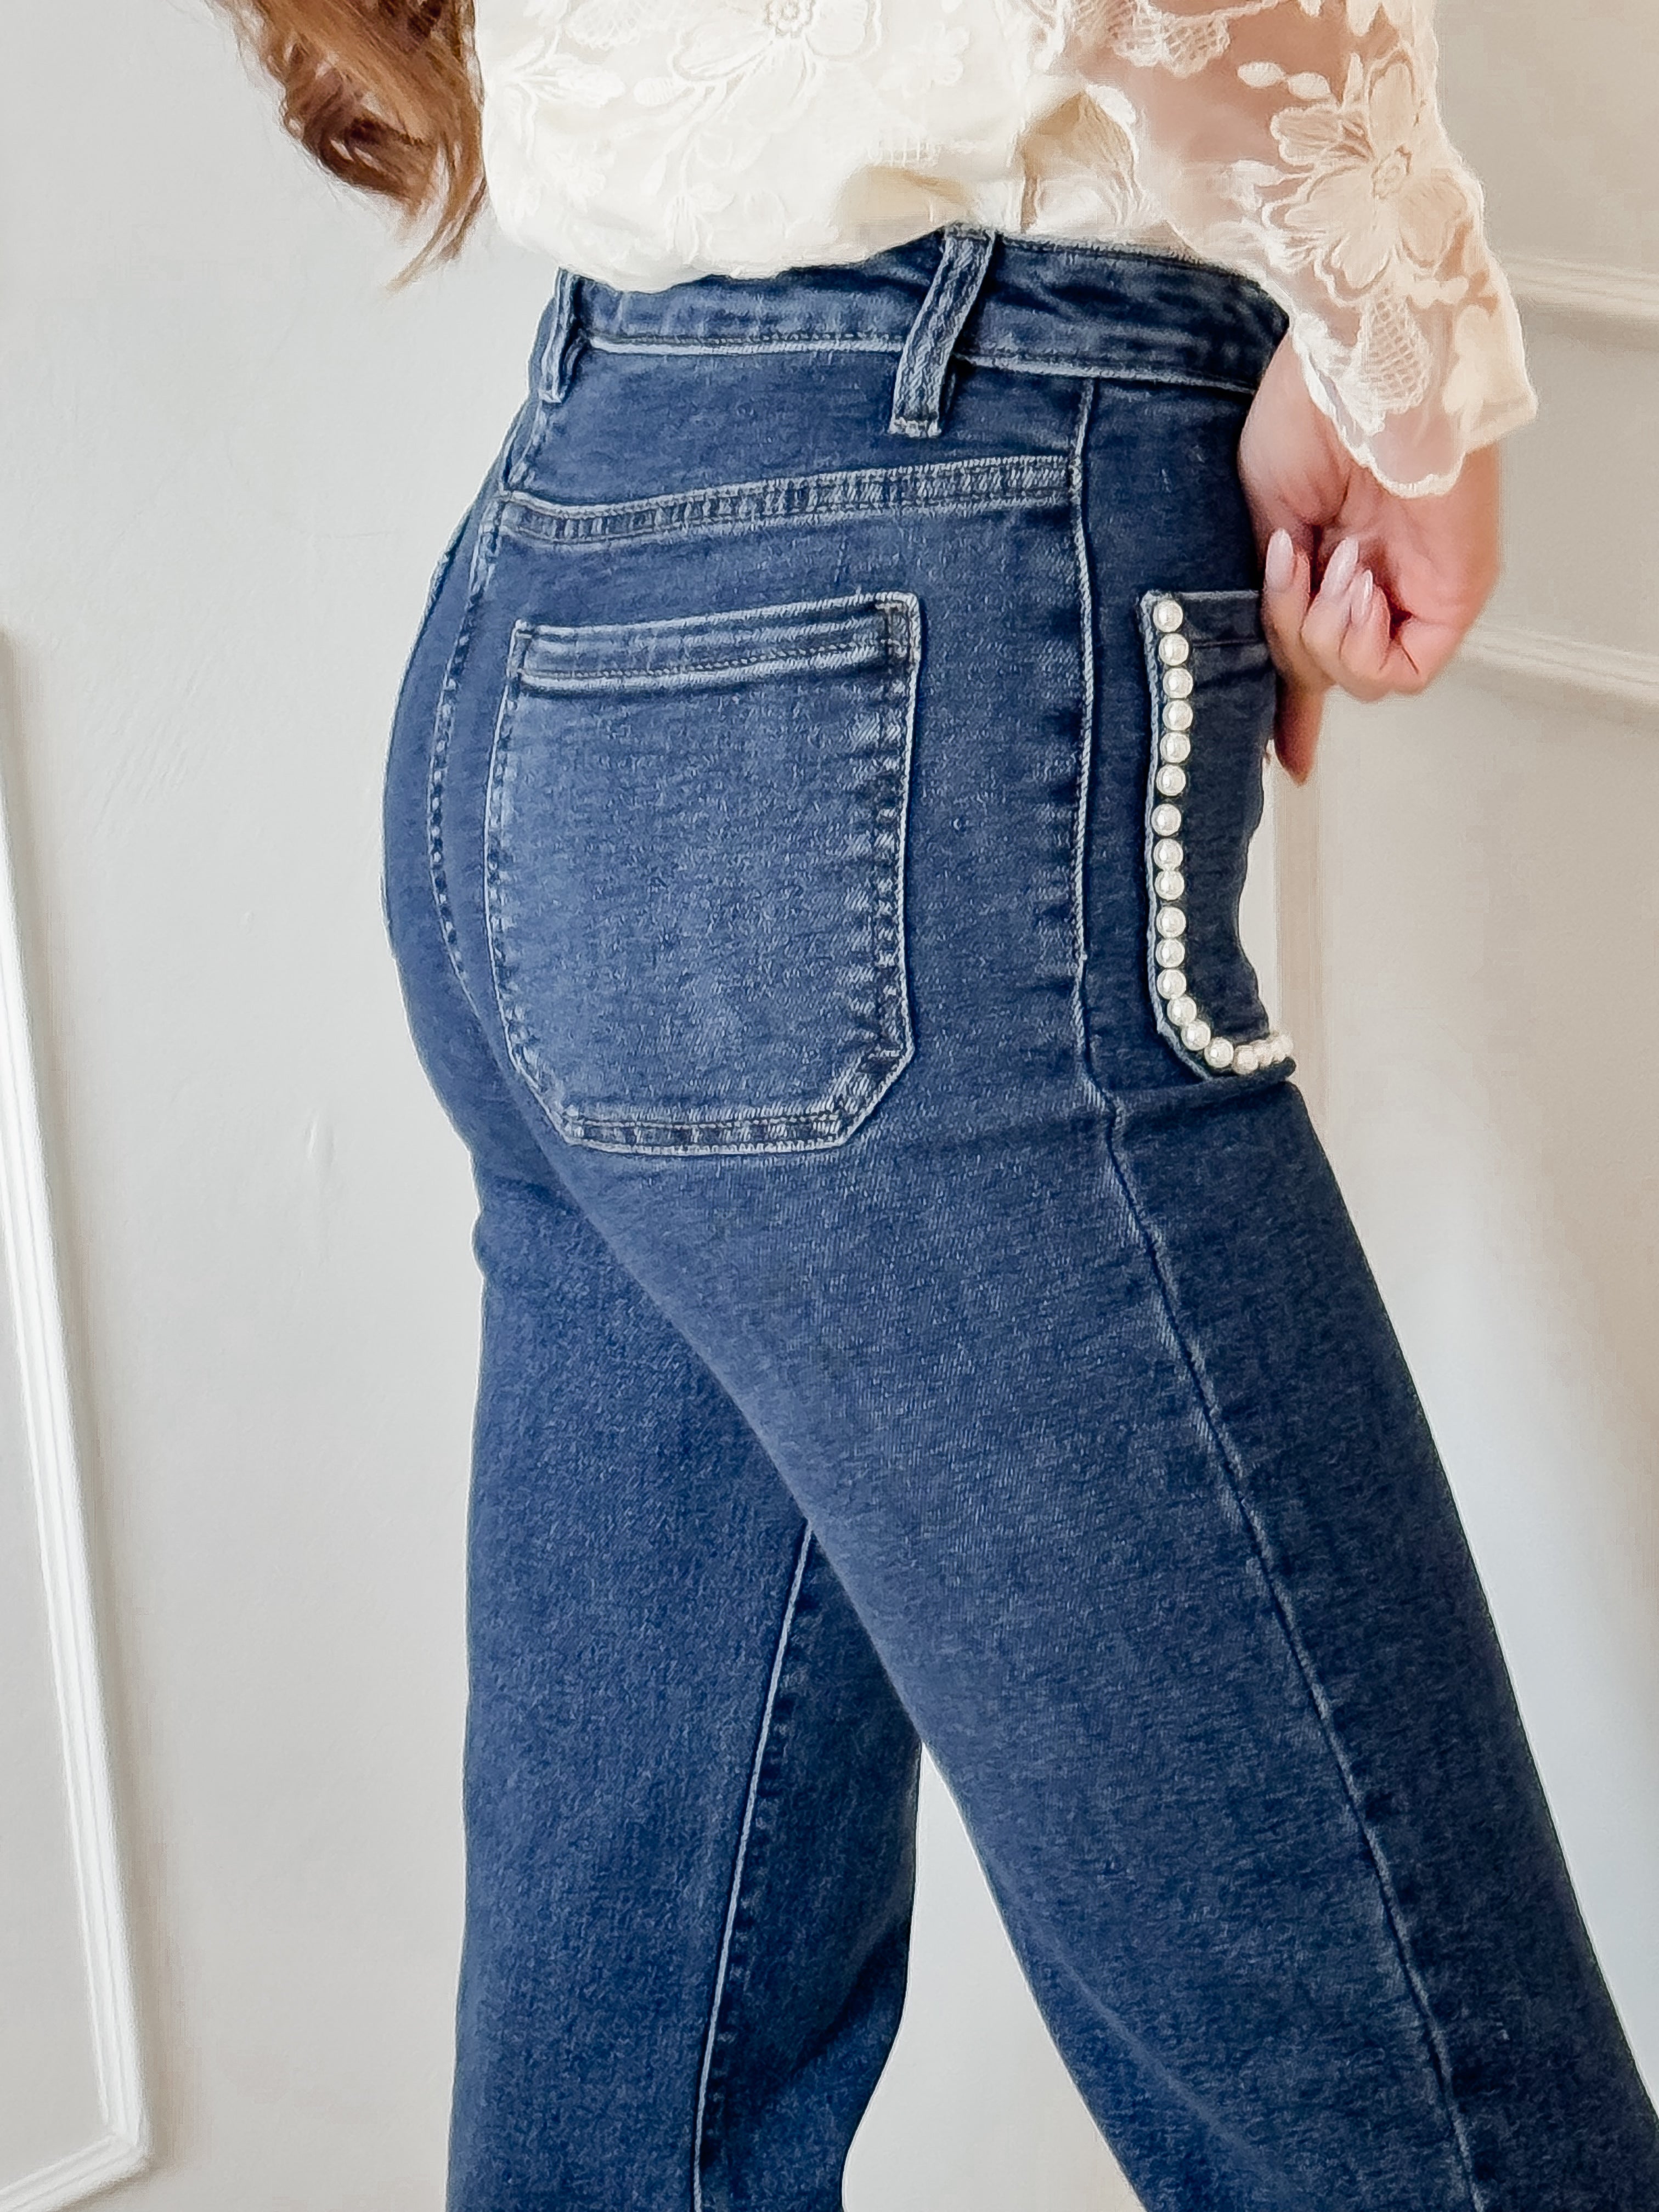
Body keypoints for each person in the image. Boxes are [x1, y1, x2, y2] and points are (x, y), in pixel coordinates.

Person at [222, 2, 1659, 2207]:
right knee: (1434, 2139)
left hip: (570, 595)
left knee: (623, 2119)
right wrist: (1411, 373)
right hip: (900, 633)